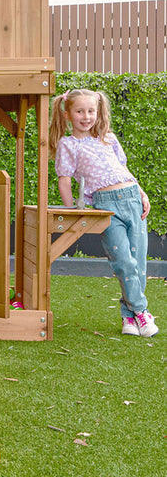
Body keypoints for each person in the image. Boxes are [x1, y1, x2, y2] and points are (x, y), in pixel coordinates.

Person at [50, 88, 158, 338]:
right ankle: (142, 311)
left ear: (98, 113)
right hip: (106, 206)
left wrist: (142, 193)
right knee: (123, 262)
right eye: (80, 111)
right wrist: (71, 211)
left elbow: (123, 168)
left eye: (91, 111)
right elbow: (64, 180)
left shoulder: (109, 139)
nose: (86, 116)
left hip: (132, 197)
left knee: (138, 263)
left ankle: (129, 318)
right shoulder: (69, 144)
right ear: (68, 115)